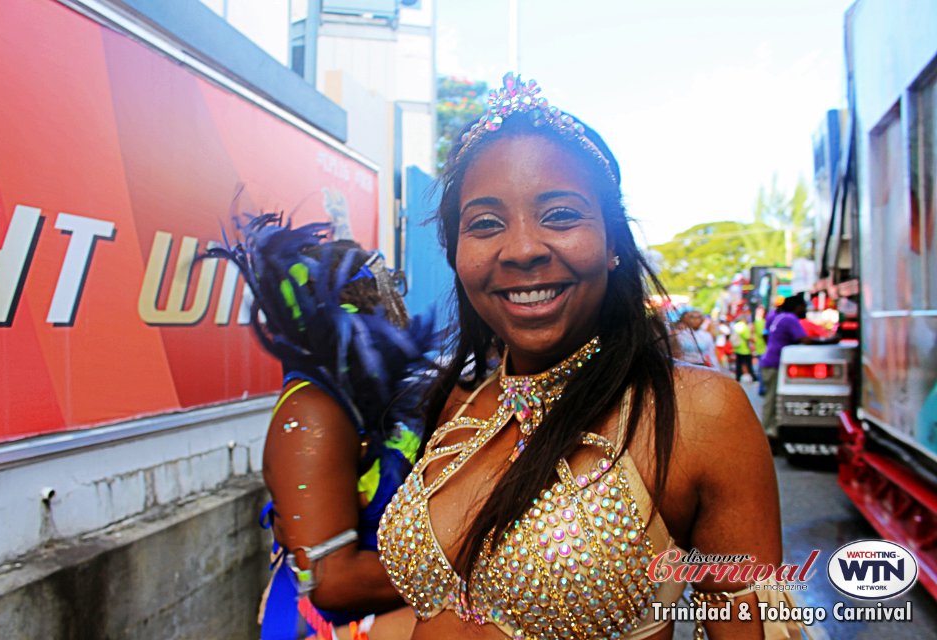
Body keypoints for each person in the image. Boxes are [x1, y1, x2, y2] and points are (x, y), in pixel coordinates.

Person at [376, 73, 803, 640]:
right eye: (485, 224)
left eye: (559, 215)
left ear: (612, 247)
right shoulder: (459, 405)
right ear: (457, 253)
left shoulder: (697, 414)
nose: (523, 248)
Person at [207, 215, 434, 639]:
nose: (397, 306)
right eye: (386, 290)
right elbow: (333, 581)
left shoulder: (357, 401)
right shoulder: (312, 412)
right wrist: (463, 568)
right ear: (362, 302)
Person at [759, 293, 812, 447]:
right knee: (773, 399)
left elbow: (765, 336)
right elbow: (804, 339)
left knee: (770, 399)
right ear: (798, 307)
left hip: (769, 361)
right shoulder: (790, 318)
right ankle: (768, 434)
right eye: (803, 306)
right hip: (775, 364)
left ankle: (769, 432)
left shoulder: (777, 317)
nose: (805, 309)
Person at [731, 310, 758, 383]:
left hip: (737, 348)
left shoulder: (736, 325)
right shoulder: (744, 326)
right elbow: (747, 337)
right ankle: (753, 377)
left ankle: (738, 377)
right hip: (745, 349)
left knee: (738, 364)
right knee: (748, 364)